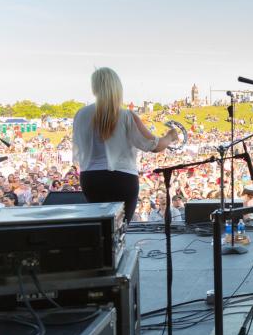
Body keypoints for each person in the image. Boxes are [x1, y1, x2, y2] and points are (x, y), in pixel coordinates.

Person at [73, 67, 178, 222]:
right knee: (120, 230)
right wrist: (170, 136)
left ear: (94, 88)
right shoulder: (126, 116)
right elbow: (154, 145)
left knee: (99, 228)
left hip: (91, 178)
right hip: (122, 178)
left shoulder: (80, 114)